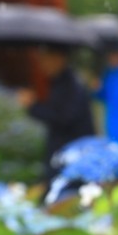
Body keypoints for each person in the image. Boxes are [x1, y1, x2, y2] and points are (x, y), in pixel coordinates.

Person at [17, 44, 95, 182]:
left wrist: (33, 106)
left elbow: (62, 118)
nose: (42, 64)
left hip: (73, 151)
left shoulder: (72, 86)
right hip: (59, 149)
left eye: (46, 59)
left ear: (59, 58)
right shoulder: (57, 82)